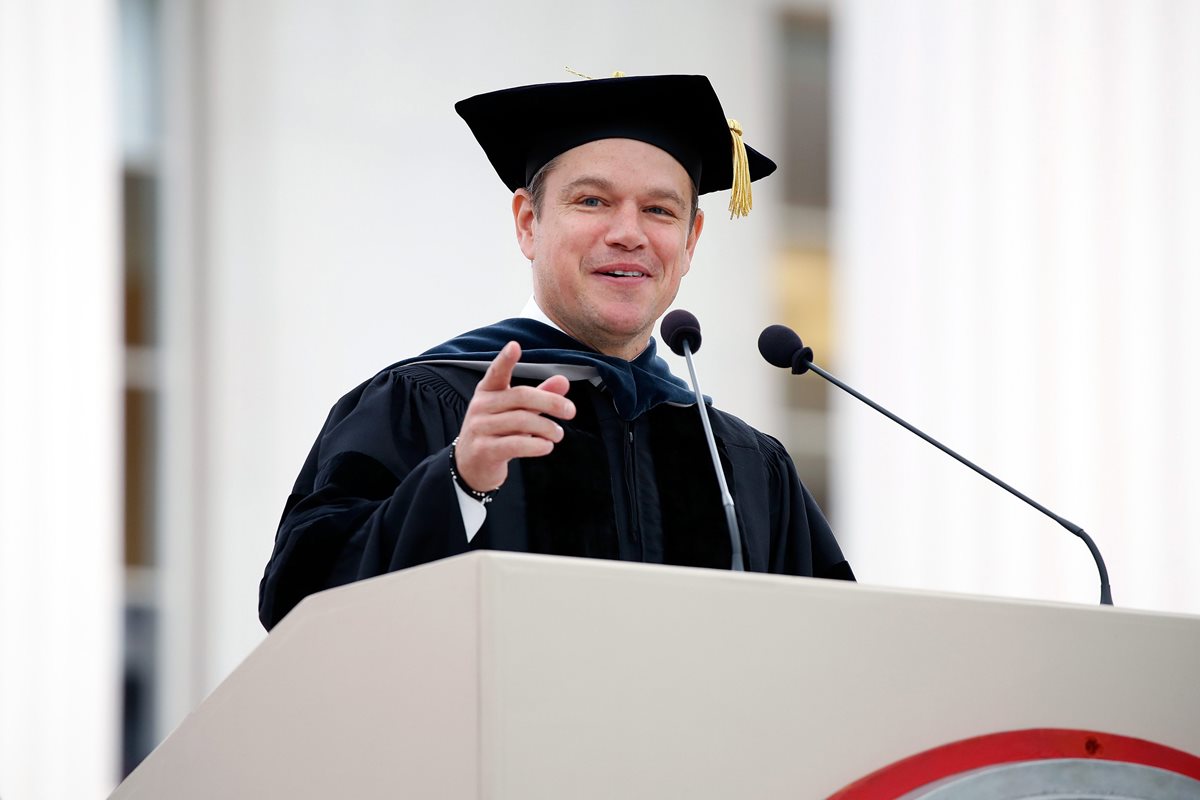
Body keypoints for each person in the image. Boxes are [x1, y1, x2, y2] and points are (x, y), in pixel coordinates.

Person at [258, 73, 854, 631]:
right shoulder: (428, 403)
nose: (629, 233)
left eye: (659, 210)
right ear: (528, 223)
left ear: (690, 241)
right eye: (592, 201)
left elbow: (834, 646)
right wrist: (457, 484)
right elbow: (301, 604)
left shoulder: (744, 466)